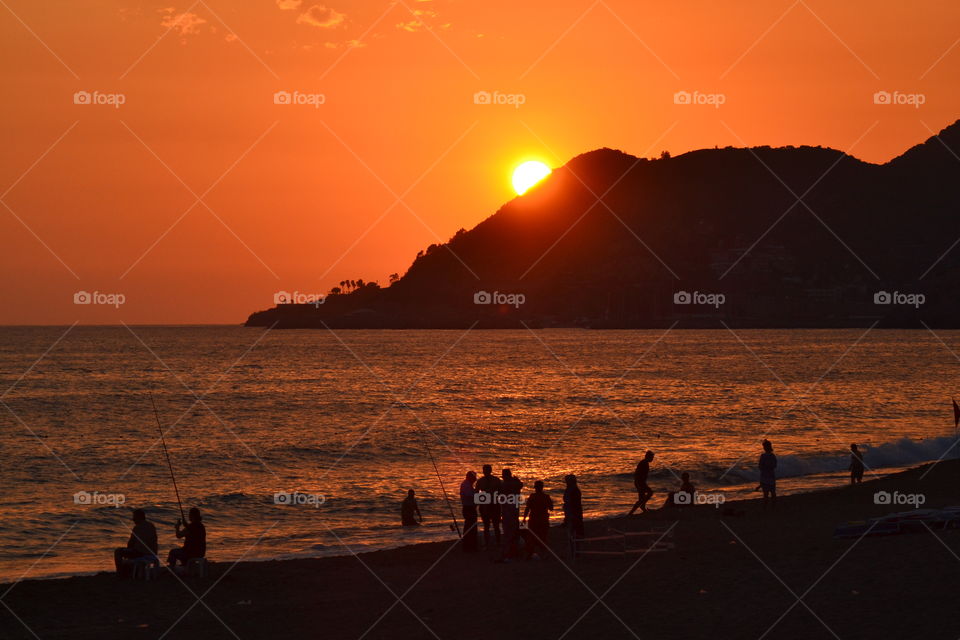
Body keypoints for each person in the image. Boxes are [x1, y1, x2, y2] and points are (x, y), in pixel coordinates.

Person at [114, 508, 158, 577]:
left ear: (139, 518)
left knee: (118, 551)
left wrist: (129, 549)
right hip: (152, 553)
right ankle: (131, 571)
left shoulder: (137, 527)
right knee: (130, 552)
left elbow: (130, 543)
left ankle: (120, 574)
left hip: (141, 553)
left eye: (134, 518)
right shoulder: (151, 526)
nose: (133, 520)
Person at [522, 480, 553, 560]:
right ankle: (543, 553)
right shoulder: (546, 497)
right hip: (543, 520)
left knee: (532, 537)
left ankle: (531, 553)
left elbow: (527, 508)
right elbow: (551, 508)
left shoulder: (532, 496)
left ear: (535, 488)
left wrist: (524, 518)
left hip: (534, 520)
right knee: (543, 537)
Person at [475, 464, 502, 549]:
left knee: (494, 525)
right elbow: (476, 493)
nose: (485, 472)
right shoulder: (482, 481)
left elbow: (501, 492)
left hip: (493, 505)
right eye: (484, 470)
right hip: (486, 505)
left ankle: (496, 542)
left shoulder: (494, 480)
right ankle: (490, 543)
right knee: (488, 525)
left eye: (486, 470)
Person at [499, 468, 524, 561]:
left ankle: (509, 551)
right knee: (514, 530)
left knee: (508, 531)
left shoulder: (504, 485)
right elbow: (520, 485)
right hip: (513, 510)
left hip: (507, 510)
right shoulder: (515, 483)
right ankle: (514, 550)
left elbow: (500, 496)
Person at [627, 450, 655, 515]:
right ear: (648, 457)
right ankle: (632, 512)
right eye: (651, 457)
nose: (652, 459)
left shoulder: (645, 463)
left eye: (652, 457)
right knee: (648, 494)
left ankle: (640, 508)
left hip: (641, 482)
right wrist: (638, 484)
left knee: (643, 497)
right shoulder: (643, 463)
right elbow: (637, 474)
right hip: (640, 483)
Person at [460, 471, 478, 552]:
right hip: (468, 508)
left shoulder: (468, 485)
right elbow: (470, 495)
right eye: (474, 477)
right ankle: (468, 545)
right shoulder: (466, 485)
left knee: (471, 526)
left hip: (470, 508)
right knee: (470, 526)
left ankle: (470, 544)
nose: (475, 479)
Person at [562, 474, 584, 539]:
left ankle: (576, 542)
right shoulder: (572, 490)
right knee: (574, 531)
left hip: (573, 514)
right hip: (573, 513)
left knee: (574, 531)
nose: (566, 482)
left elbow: (573, 504)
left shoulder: (573, 490)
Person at [759, 439, 777, 510]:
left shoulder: (765, 456)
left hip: (766, 477)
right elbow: (774, 465)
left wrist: (765, 467)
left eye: (764, 447)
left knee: (768, 493)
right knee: (770, 493)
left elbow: (760, 466)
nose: (764, 448)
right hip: (768, 476)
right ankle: (771, 507)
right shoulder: (771, 456)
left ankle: (767, 507)